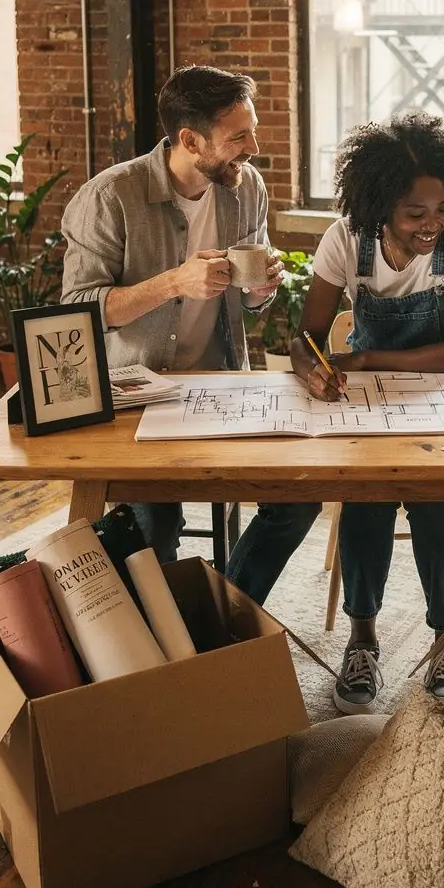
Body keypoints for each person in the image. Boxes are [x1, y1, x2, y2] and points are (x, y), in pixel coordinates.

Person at [227, 111, 444, 714]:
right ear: (379, 207)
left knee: (438, 504)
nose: (433, 224)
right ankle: (363, 638)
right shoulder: (347, 238)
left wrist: (365, 355)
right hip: (367, 405)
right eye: (415, 213)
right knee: (365, 499)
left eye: (442, 208)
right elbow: (307, 339)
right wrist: (315, 367)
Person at [61, 64, 282, 561]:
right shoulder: (109, 197)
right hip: (134, 397)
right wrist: (174, 282)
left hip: (223, 388)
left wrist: (261, 287)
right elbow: (74, 316)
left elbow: (248, 298)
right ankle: (165, 626)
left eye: (254, 131)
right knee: (156, 531)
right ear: (191, 139)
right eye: (239, 136)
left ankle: (231, 603)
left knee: (296, 495)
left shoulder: (247, 188)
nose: (254, 147)